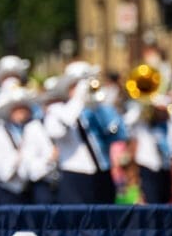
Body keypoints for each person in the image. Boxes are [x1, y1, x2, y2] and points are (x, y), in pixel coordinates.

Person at [44, 61, 128, 204]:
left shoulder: (98, 109)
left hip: (103, 172)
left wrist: (101, 108)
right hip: (75, 175)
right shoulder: (57, 110)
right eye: (76, 85)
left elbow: (119, 134)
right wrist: (78, 100)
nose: (83, 89)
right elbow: (57, 132)